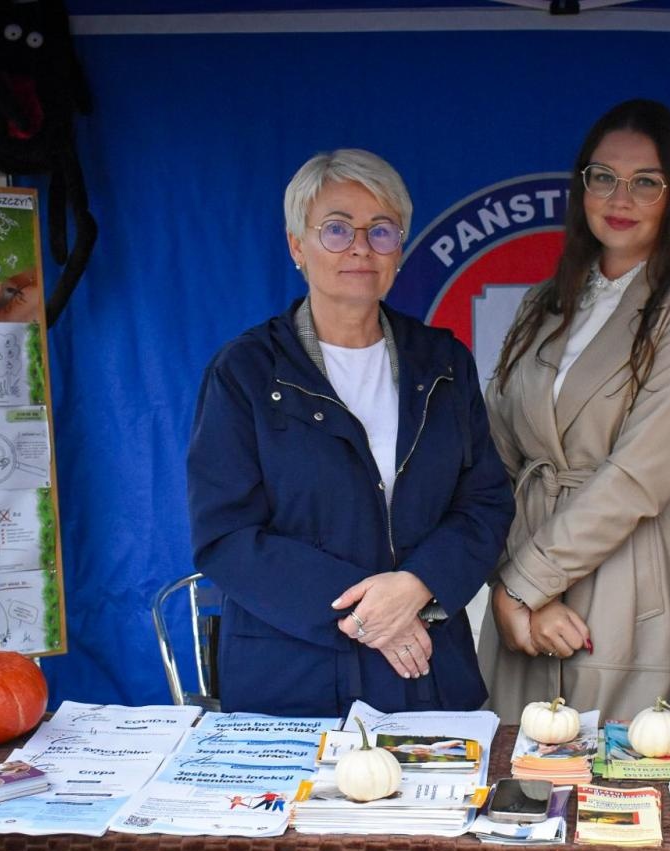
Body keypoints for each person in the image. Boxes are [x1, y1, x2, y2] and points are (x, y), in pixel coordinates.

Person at [188, 150, 513, 715]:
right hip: (291, 681)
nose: (360, 247)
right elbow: (227, 535)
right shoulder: (244, 372)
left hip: (427, 673)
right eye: (336, 229)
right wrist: (368, 615)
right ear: (297, 246)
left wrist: (415, 586)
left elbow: (484, 502)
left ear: (399, 249)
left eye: (381, 231)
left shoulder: (443, 363)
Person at [479, 99, 670, 720]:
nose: (619, 197)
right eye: (603, 177)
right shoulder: (547, 301)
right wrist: (512, 587)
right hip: (524, 572)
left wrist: (525, 583)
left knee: (615, 785)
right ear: (582, 187)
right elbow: (494, 458)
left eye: (645, 183)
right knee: (516, 784)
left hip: (632, 568)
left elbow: (639, 472)